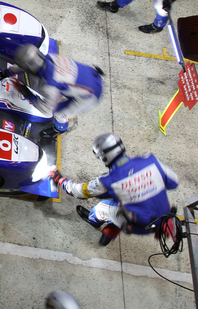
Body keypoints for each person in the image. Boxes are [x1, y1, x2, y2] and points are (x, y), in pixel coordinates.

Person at [49, 133, 179, 246]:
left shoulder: (109, 181)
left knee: (101, 208)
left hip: (138, 226)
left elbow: (79, 192)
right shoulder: (150, 161)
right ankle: (112, 229)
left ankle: (97, 223)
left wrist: (59, 179)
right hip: (165, 219)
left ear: (103, 157)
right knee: (123, 204)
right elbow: (174, 182)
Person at [11, 43, 103, 138]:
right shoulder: (50, 57)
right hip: (90, 76)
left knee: (59, 114)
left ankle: (59, 129)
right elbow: (30, 64)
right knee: (65, 89)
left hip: (91, 96)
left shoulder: (51, 85)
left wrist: (25, 91)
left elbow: (47, 110)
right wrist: (10, 71)